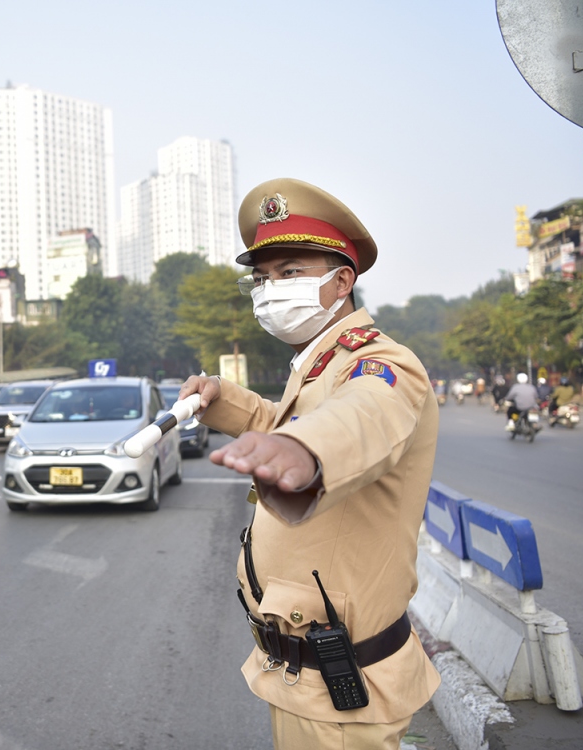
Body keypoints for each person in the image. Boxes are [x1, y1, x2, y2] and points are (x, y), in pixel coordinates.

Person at [178, 178, 439, 749]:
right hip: (302, 675)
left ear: (341, 280)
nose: (271, 290)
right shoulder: (318, 363)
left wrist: (305, 452)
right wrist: (223, 399)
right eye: (262, 278)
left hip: (339, 687)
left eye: (290, 272)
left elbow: (362, 419)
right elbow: (287, 423)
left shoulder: (381, 363)